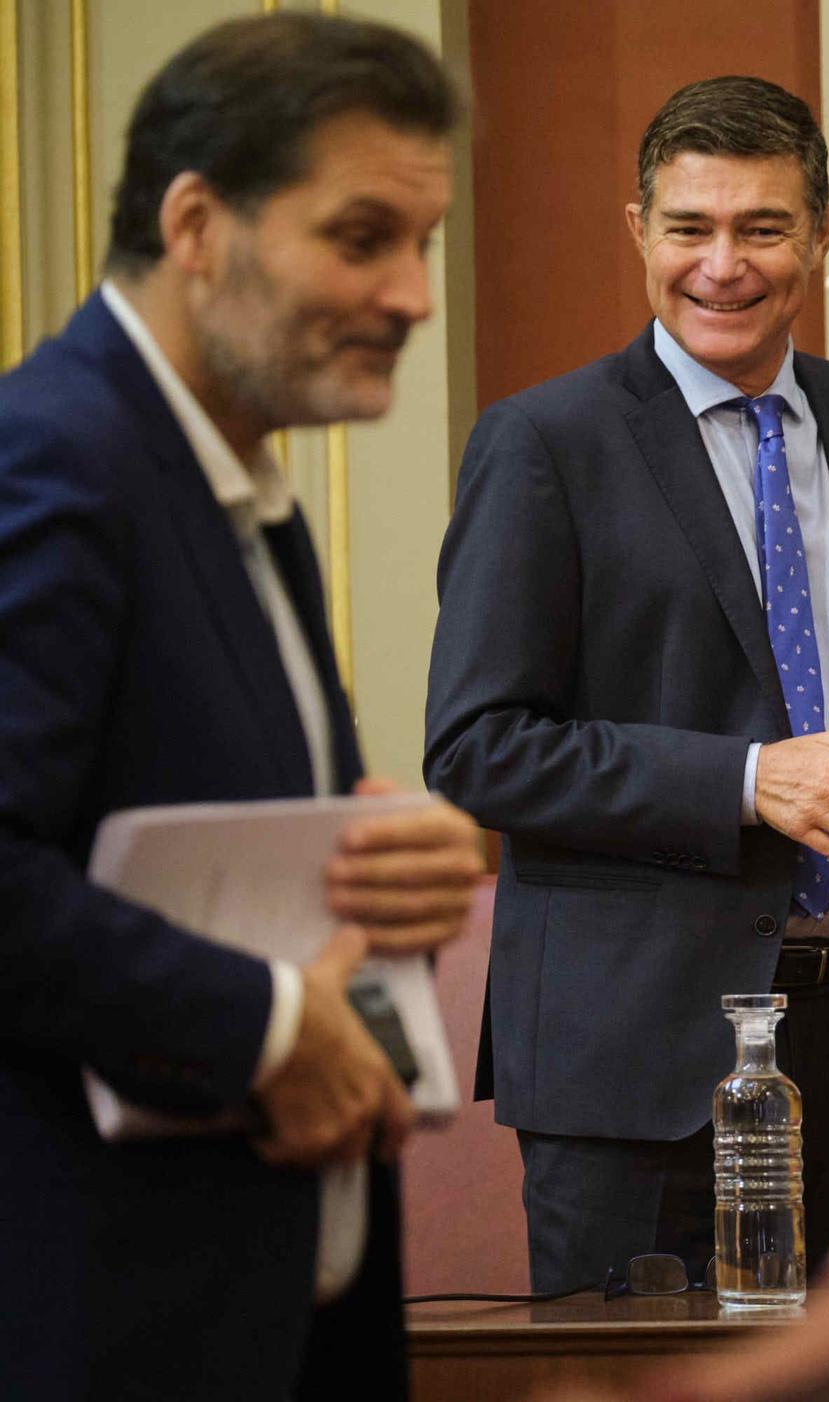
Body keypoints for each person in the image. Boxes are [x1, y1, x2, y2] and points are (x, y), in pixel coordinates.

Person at [425, 75, 829, 1292]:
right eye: (689, 229)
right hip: (635, 1064)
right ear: (639, 232)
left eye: (761, 229)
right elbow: (477, 747)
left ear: (821, 234)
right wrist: (744, 781)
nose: (720, 266)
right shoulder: (544, 443)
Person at [0, 14, 481, 1399]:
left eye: (424, 243)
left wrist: (400, 863)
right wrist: (266, 1026)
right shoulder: (57, 461)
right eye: (361, 236)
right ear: (198, 224)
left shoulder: (244, 488)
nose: (412, 294)